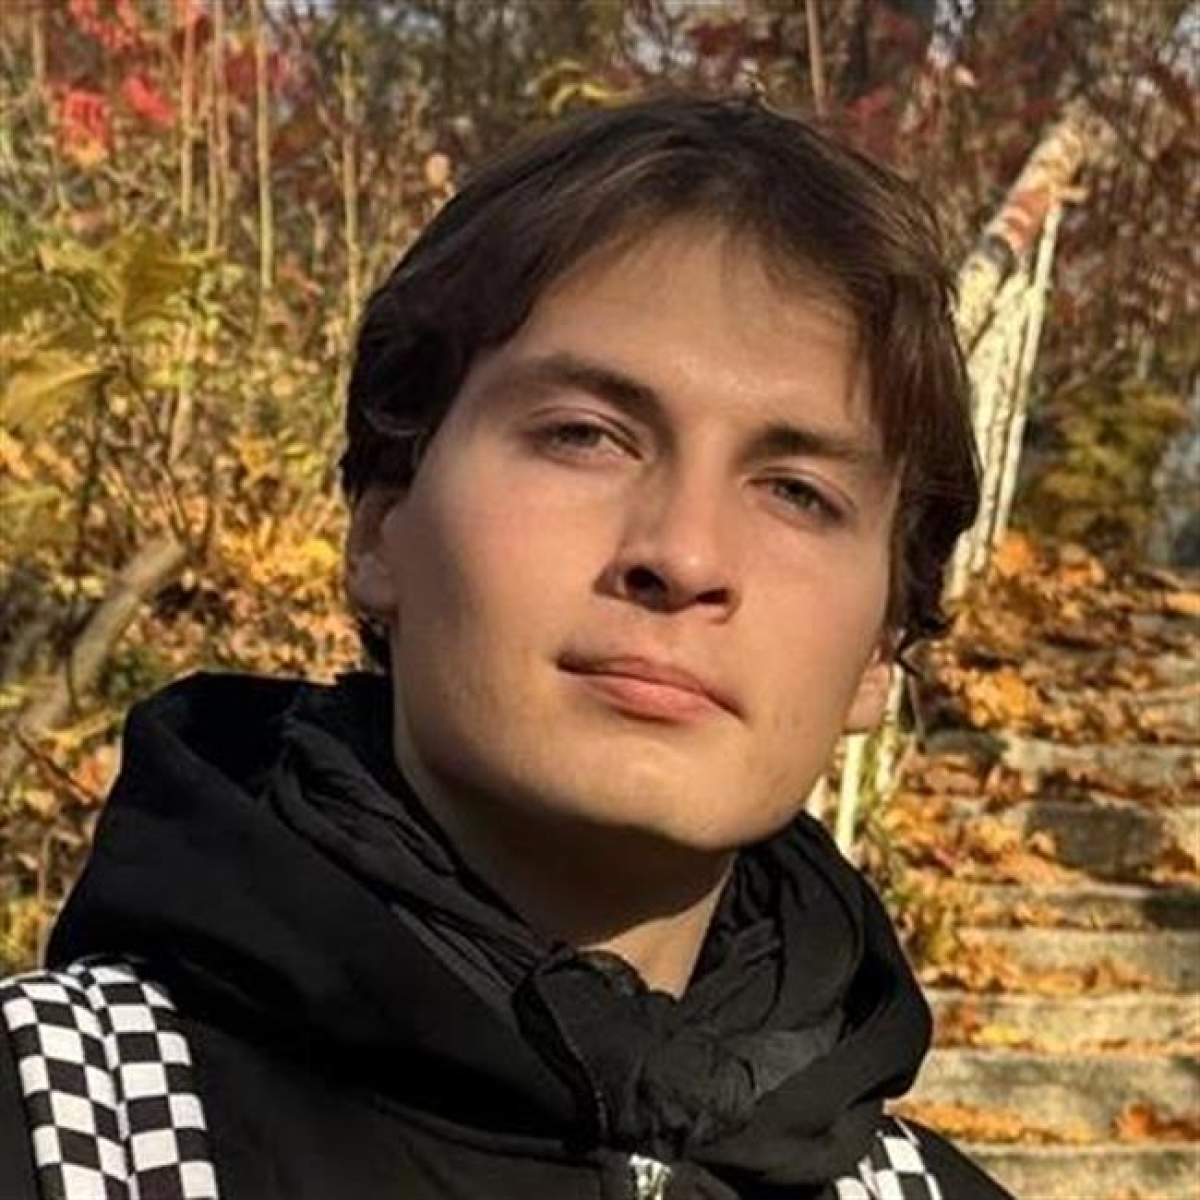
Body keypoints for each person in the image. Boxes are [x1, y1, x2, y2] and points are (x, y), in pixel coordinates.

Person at [0, 94, 1012, 1199]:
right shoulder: (57, 1131)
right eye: (584, 436)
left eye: (798, 491)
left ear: (882, 646)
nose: (683, 555)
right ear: (382, 525)